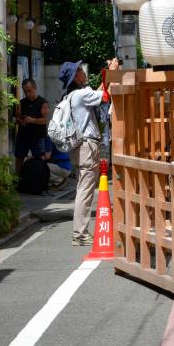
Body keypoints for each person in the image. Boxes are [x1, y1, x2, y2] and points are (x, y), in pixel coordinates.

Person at [59, 58, 114, 246]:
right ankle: (80, 234)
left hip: (78, 147)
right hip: (86, 147)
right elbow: (105, 96)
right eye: (80, 70)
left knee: (83, 187)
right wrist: (112, 74)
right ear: (75, 76)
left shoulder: (71, 96)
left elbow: (99, 93)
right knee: (85, 189)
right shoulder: (81, 95)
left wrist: (108, 73)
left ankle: (80, 232)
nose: (84, 72)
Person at [14, 78, 49, 175]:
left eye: (29, 91)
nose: (27, 94)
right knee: (19, 157)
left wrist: (32, 120)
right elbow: (17, 118)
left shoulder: (43, 102)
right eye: (25, 91)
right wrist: (20, 121)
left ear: (35, 88)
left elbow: (45, 120)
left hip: (37, 136)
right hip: (23, 135)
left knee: (39, 159)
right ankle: (18, 180)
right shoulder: (21, 103)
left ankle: (40, 180)